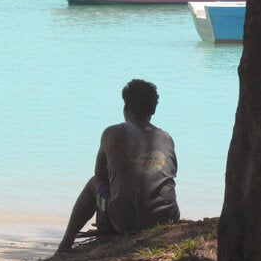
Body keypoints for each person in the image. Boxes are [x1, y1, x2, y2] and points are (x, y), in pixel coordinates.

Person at [57, 79, 179, 252]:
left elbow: (100, 175)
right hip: (167, 220)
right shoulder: (167, 138)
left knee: (93, 184)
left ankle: (65, 245)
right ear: (153, 110)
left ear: (126, 108)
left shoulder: (113, 132)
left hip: (127, 223)